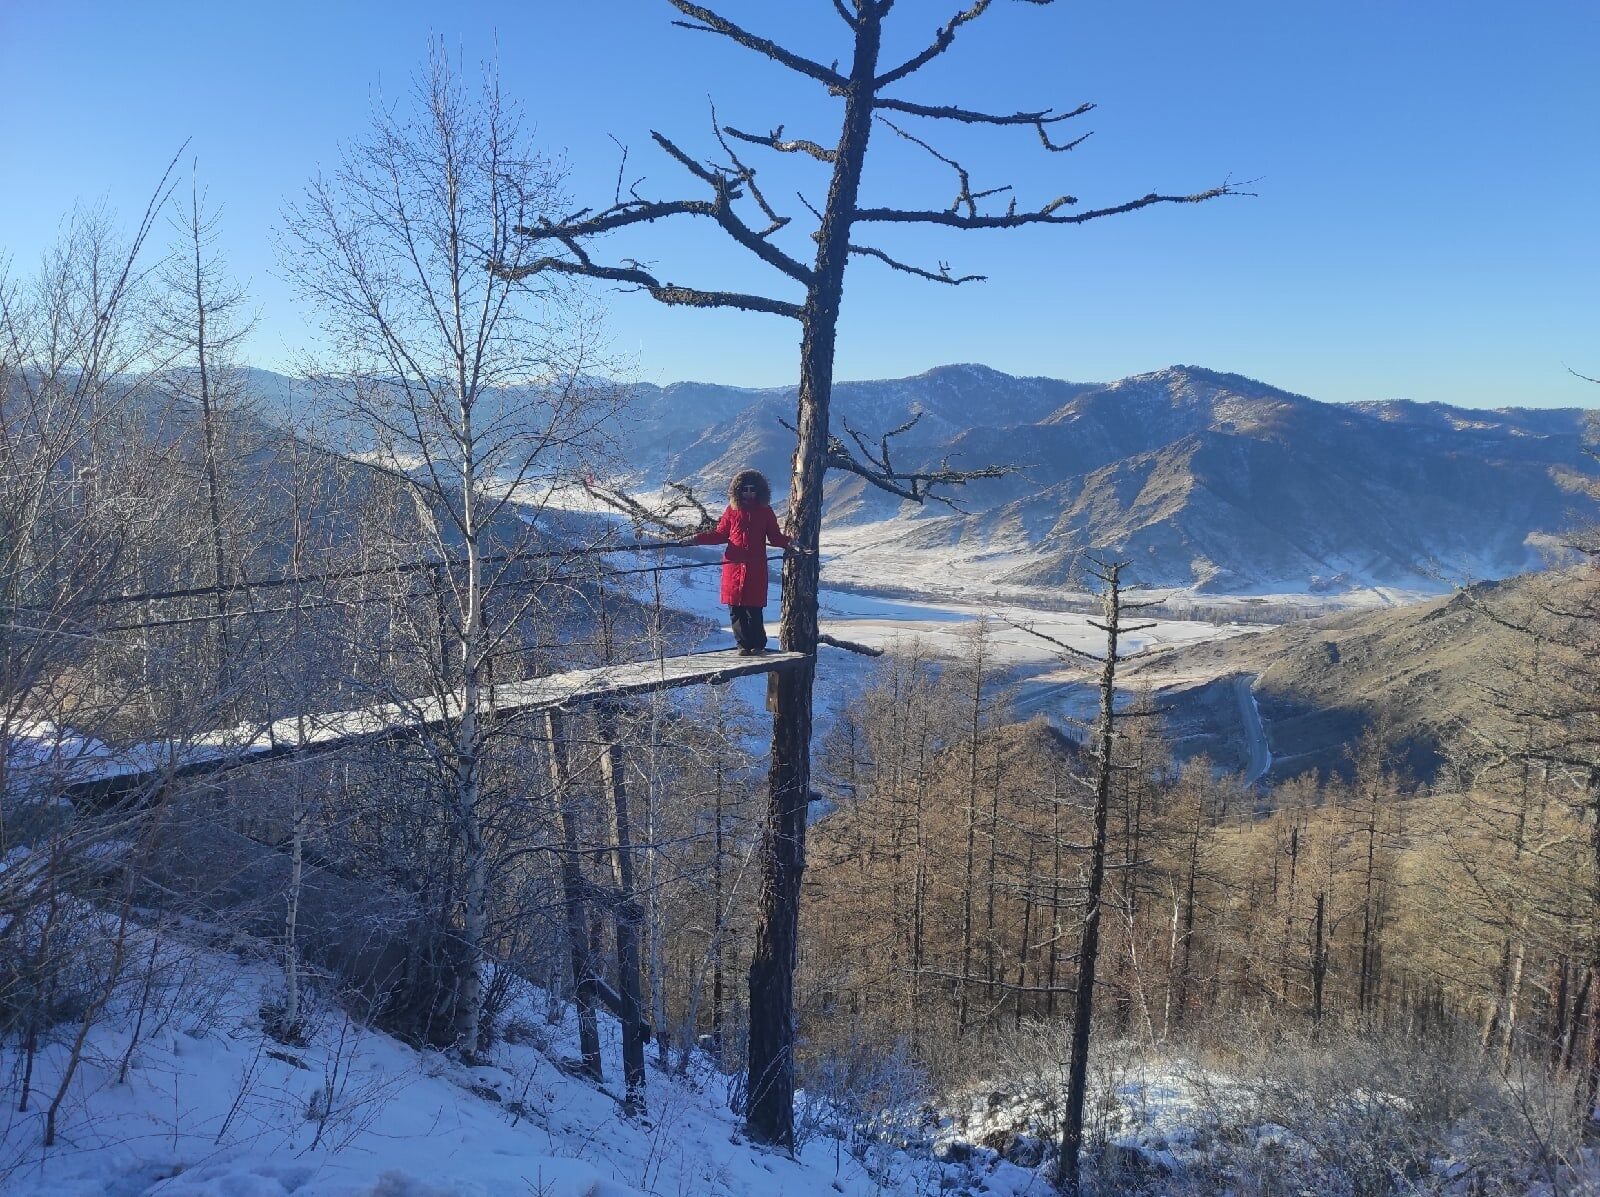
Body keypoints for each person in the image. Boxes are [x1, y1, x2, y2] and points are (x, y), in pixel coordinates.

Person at [688, 468, 793, 655]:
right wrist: (697, 538)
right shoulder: (731, 511)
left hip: (755, 566)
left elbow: (775, 537)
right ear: (738, 490)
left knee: (754, 609)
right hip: (733, 566)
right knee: (736, 609)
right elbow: (720, 534)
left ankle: (758, 645)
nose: (749, 493)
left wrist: (792, 543)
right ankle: (742, 646)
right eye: (745, 489)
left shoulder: (765, 511)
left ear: (759, 491)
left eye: (752, 489)